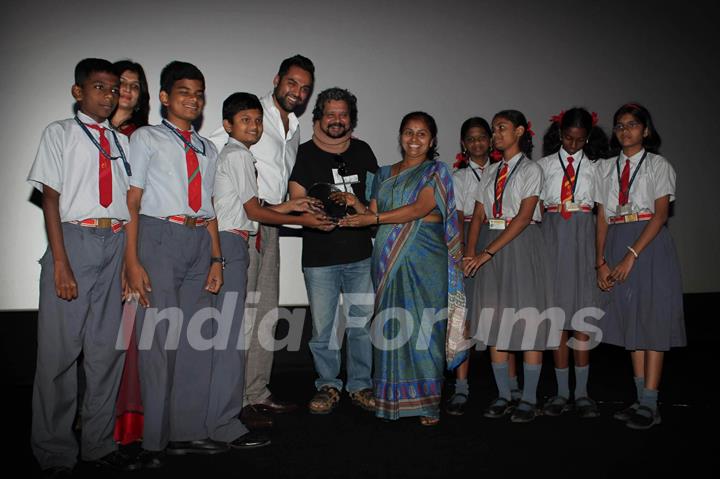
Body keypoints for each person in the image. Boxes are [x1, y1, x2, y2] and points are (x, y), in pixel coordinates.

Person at [28, 58, 137, 475]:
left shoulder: (123, 143)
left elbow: (130, 206)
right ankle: (54, 451)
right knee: (58, 356)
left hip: (115, 243)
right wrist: (60, 262)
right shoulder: (60, 133)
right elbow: (51, 200)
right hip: (74, 241)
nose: (109, 96)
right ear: (78, 92)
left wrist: (129, 264)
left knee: (106, 352)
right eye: (99, 87)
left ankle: (97, 443)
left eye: (115, 89)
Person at [210, 91, 330, 445]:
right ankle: (233, 404)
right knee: (238, 323)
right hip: (237, 237)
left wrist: (292, 206)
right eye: (246, 120)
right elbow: (250, 209)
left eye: (257, 121)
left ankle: (254, 393)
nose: (254, 125)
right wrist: (304, 217)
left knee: (264, 313)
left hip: (264, 231)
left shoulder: (287, 135)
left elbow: (258, 203)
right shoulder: (231, 150)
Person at [126, 61, 224, 467]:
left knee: (196, 342)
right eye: (184, 91)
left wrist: (217, 258)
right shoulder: (146, 138)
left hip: (199, 240)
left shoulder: (209, 148)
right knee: (158, 342)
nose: (193, 99)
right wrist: (132, 260)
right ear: (165, 97)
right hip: (159, 236)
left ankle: (188, 432)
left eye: (199, 93)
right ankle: (154, 442)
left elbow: (212, 205)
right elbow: (132, 201)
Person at [339, 111, 466, 426]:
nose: (414, 139)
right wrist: (354, 205)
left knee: (425, 328)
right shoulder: (382, 174)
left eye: (422, 133)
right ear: (400, 136)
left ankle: (428, 403)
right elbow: (374, 213)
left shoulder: (436, 171)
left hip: (425, 258)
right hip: (387, 259)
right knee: (392, 328)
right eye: (408, 132)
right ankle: (393, 401)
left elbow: (420, 208)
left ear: (432, 140)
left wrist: (373, 219)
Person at [288, 87, 378, 415]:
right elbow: (296, 198)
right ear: (318, 118)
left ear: (350, 119)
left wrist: (366, 213)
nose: (337, 120)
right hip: (319, 257)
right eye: (330, 114)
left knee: (361, 324)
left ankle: (360, 385)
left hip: (359, 255)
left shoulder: (363, 151)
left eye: (343, 114)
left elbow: (375, 200)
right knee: (323, 328)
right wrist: (313, 219)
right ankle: (328, 384)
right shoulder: (305, 153)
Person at [595, 102, 685, 430]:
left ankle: (650, 401)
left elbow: (661, 215)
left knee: (653, 320)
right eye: (619, 125)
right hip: (618, 236)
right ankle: (638, 399)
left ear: (645, 130)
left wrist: (632, 254)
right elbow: (602, 218)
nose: (625, 131)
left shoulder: (659, 166)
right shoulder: (605, 169)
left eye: (632, 125)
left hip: (648, 242)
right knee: (631, 322)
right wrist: (600, 262)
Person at [463, 110, 556, 423]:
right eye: (494, 129)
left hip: (520, 243)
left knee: (527, 319)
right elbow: (477, 215)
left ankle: (528, 397)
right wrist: (470, 252)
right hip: (490, 240)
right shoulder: (489, 172)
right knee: (494, 320)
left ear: (519, 131)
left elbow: (524, 216)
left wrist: (486, 253)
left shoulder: (532, 170)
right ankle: (504, 394)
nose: (495, 134)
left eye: (501, 128)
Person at [446, 117, 522, 414]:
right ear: (463, 145)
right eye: (471, 139)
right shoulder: (458, 177)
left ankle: (512, 386)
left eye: (482, 137)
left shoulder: (502, 170)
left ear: (491, 140)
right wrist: (465, 255)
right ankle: (461, 388)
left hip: (497, 246)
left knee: (503, 318)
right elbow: (460, 218)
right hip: (468, 249)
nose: (477, 143)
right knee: (462, 322)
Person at [537, 107, 609, 419]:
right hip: (552, 237)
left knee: (581, 317)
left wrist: (599, 258)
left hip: (583, 236)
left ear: (588, 138)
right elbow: (536, 211)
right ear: (559, 133)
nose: (573, 145)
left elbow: (603, 214)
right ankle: (560, 391)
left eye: (580, 140)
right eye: (568, 138)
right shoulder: (543, 167)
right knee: (557, 320)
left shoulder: (597, 168)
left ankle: (581, 393)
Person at [110, 59, 150, 446]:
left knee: (129, 341)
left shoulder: (144, 138)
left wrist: (131, 259)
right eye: (120, 83)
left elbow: (139, 204)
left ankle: (127, 430)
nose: (126, 90)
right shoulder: (86, 133)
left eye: (135, 86)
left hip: (131, 246)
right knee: (94, 343)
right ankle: (91, 424)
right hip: (90, 244)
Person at [111, 60, 150, 136]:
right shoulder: (91, 127)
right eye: (122, 82)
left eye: (135, 86)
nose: (128, 89)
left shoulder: (146, 135)